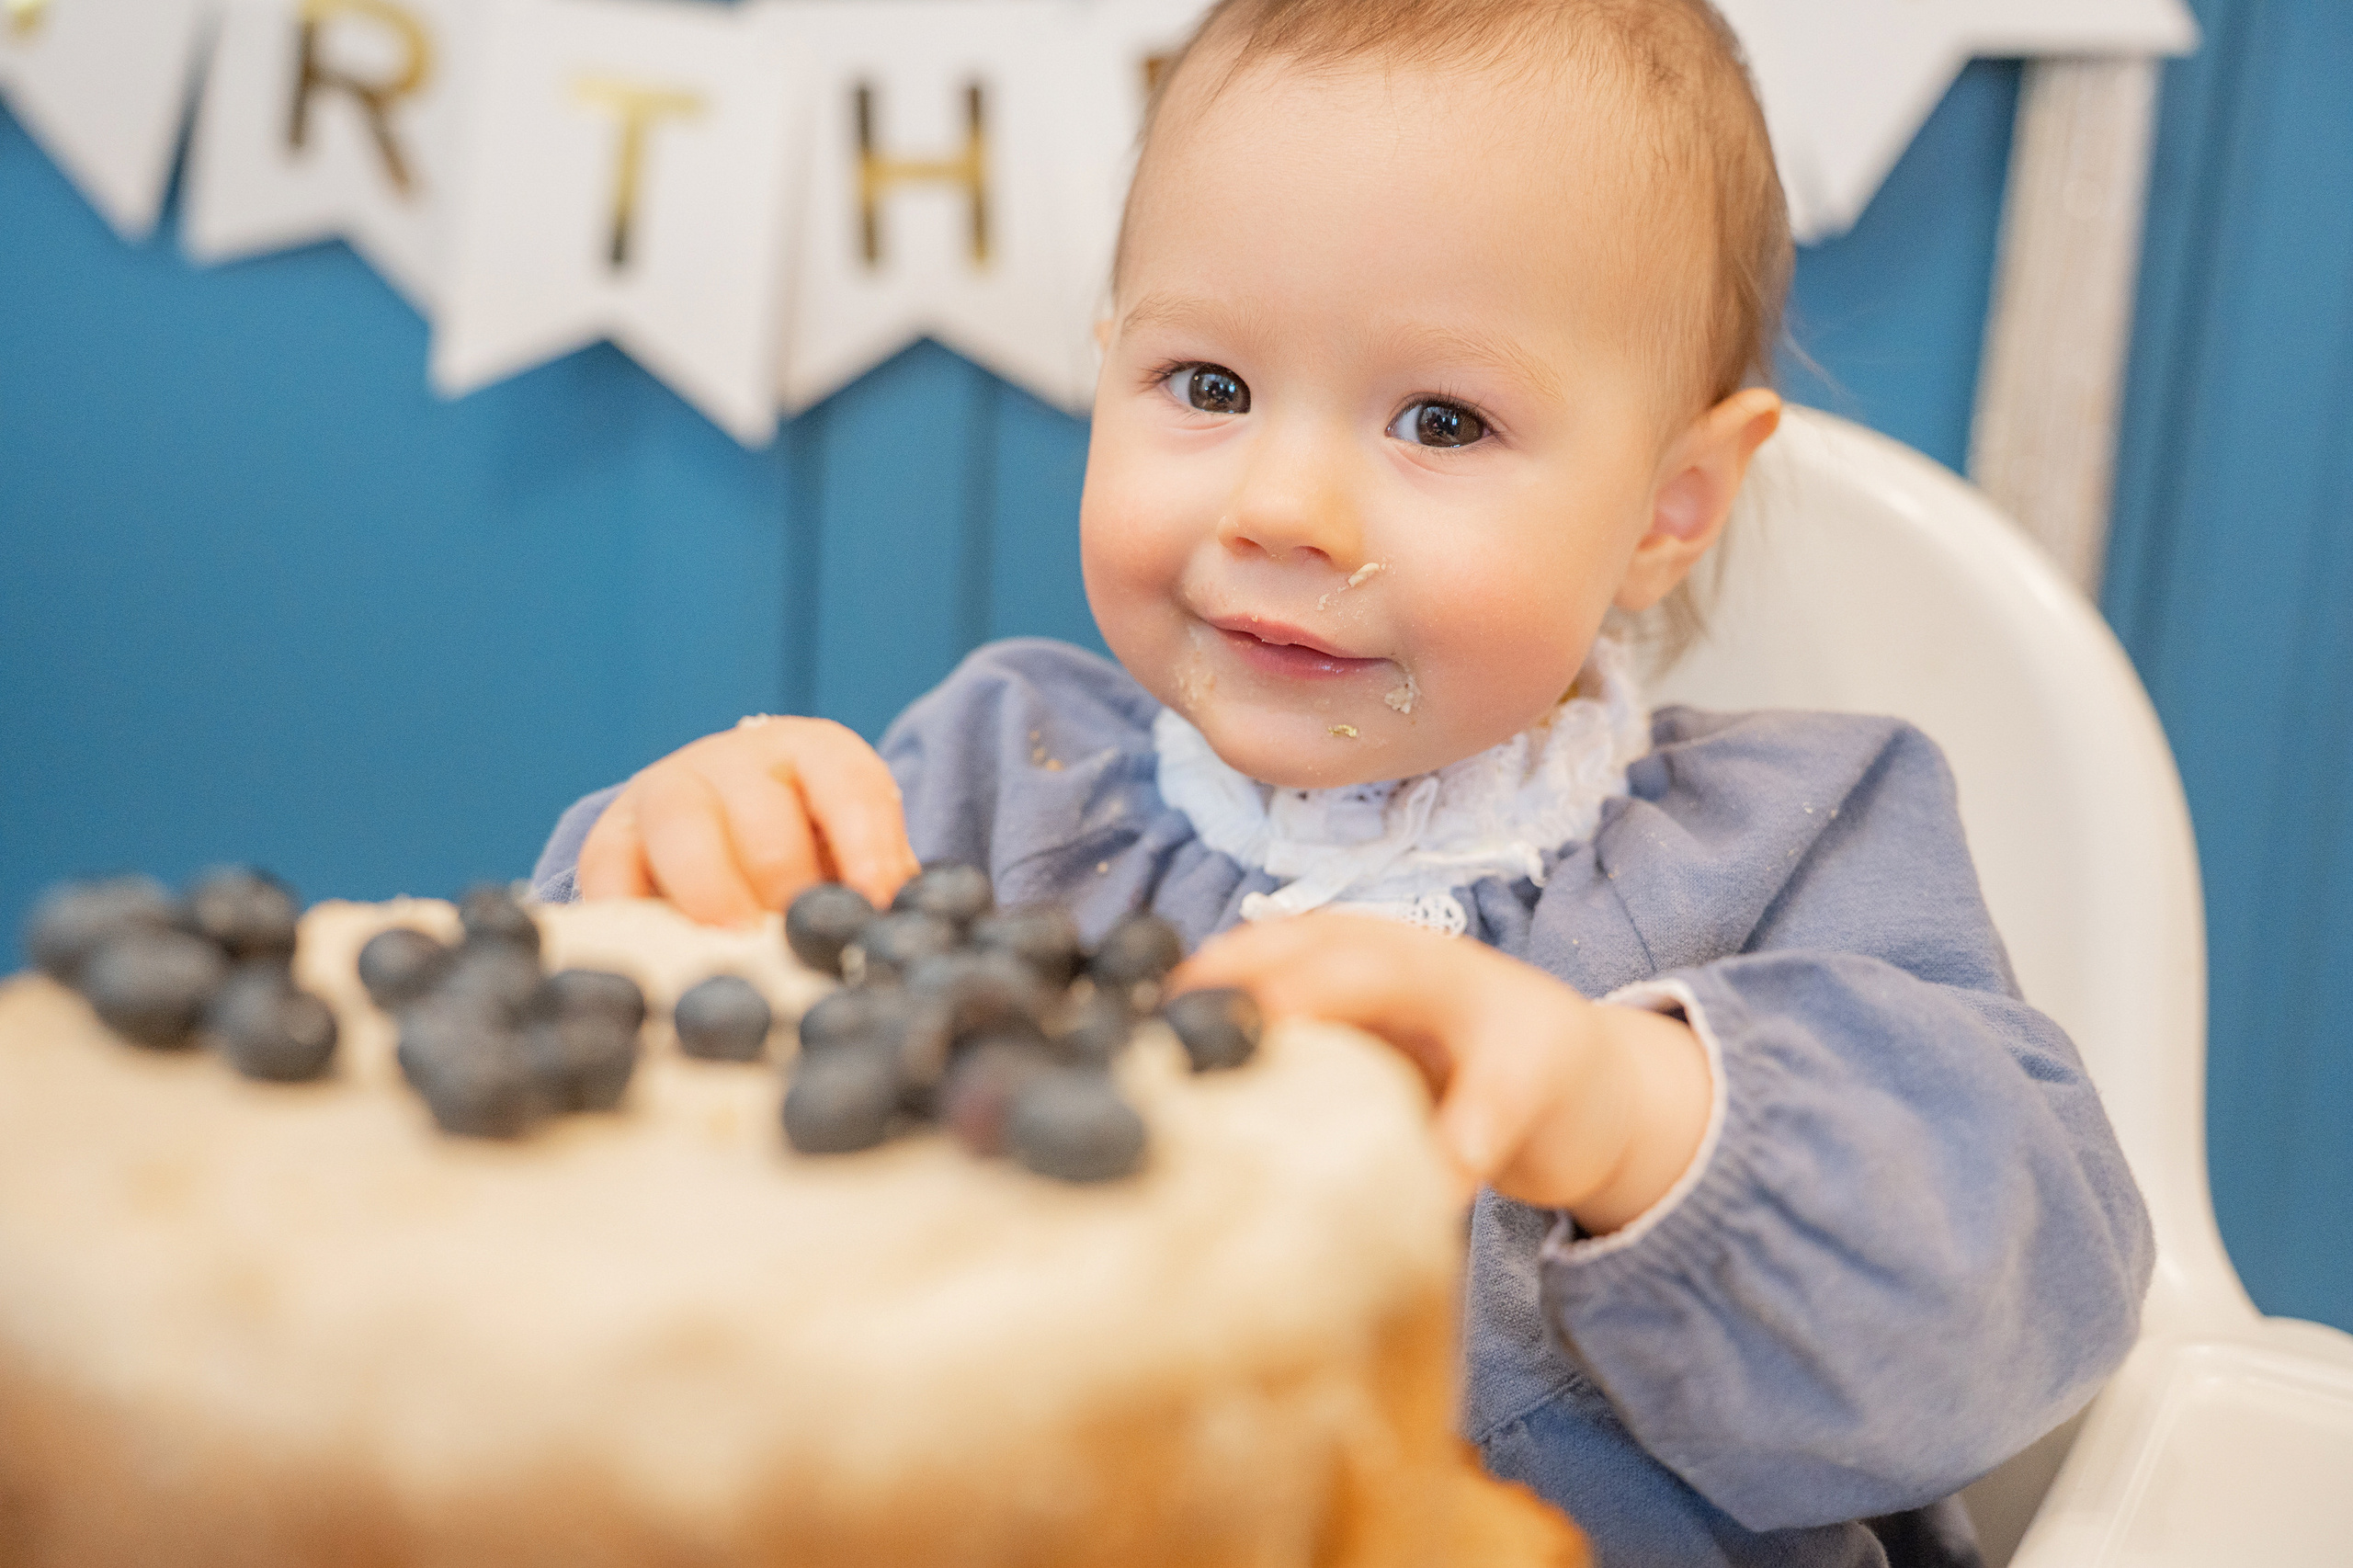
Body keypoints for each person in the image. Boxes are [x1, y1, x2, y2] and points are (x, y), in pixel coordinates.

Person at [533, 3, 2153, 1562]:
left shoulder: (1795, 843)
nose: (1283, 504)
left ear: (1671, 503)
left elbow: (2025, 1308)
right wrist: (669, 887)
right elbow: (596, 1185)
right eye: (1210, 387)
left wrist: (1624, 1115)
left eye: (1439, 419)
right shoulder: (982, 780)